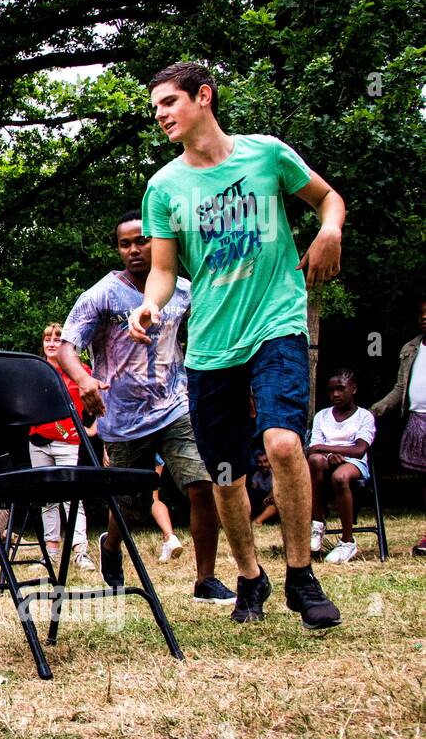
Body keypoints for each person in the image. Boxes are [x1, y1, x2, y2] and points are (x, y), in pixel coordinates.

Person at [130, 61, 343, 629]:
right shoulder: (164, 187)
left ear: (204, 96)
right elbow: (164, 271)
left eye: (169, 102)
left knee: (281, 443)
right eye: (155, 109)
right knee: (225, 471)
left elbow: (329, 199)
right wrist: (151, 303)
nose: (161, 115)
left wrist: (329, 231)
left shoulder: (266, 154)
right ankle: (251, 576)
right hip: (211, 345)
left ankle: (302, 574)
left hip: (276, 322)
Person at [59, 210, 232, 604]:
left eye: (142, 240)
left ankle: (206, 579)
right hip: (121, 415)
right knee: (126, 501)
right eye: (125, 244)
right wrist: (84, 380)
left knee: (202, 485)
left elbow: (212, 329)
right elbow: (68, 344)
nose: (134, 250)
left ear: (159, 242)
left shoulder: (183, 291)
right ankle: (110, 544)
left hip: (175, 406)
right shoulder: (103, 294)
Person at [33, 322, 95, 571]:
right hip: (38, 440)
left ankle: (80, 550)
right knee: (46, 498)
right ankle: (50, 552)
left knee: (71, 496)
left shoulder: (79, 371)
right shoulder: (36, 371)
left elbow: (105, 396)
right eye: (47, 338)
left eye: (57, 339)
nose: (51, 343)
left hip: (67, 440)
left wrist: (93, 428)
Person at [370, 298, 426, 555]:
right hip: (417, 421)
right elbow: (400, 389)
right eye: (422, 313)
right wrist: (375, 410)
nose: (424, 317)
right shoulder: (411, 348)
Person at [307, 369, 376, 562]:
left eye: (340, 389)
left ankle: (347, 541)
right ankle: (318, 523)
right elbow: (313, 450)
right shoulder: (322, 416)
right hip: (324, 462)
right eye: (331, 390)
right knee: (314, 460)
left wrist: (325, 448)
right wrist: (328, 454)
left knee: (340, 477)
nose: (335, 394)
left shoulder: (364, 416)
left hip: (353, 463)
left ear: (353, 389)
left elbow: (359, 449)